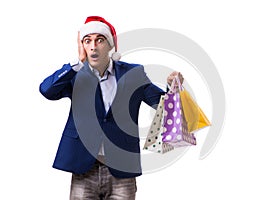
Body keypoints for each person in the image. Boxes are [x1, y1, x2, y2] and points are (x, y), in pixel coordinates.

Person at [39, 16, 183, 200]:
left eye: (100, 40)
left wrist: (172, 87)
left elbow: (159, 103)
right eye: (87, 40)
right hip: (83, 167)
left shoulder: (133, 73)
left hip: (122, 168)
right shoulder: (75, 74)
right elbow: (46, 90)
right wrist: (77, 63)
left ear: (110, 45)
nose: (93, 46)